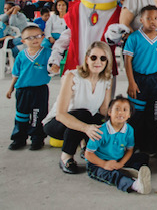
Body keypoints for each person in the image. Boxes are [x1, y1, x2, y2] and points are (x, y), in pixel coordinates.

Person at [43, 41, 113, 174]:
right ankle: (66, 157)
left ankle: (86, 147)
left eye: (103, 58)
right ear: (87, 59)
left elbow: (104, 110)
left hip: (85, 122)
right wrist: (86, 128)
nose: (98, 62)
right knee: (83, 114)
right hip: (57, 124)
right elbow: (61, 114)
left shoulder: (107, 79)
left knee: (99, 119)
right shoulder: (72, 76)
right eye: (94, 57)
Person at [123, 5, 157, 153]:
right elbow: (127, 61)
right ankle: (135, 146)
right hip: (138, 80)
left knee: (155, 114)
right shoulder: (134, 38)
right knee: (136, 115)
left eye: (156, 18)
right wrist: (131, 82)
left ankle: (152, 148)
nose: (153, 21)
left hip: (156, 80)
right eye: (148, 18)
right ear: (141, 20)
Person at [85, 96, 151, 194]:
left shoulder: (129, 130)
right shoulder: (100, 131)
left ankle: (127, 171)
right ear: (109, 112)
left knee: (143, 157)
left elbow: (129, 150)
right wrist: (104, 164)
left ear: (129, 115)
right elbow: (88, 154)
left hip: (118, 159)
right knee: (112, 175)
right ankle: (135, 185)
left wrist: (121, 163)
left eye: (125, 110)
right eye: (117, 109)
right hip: (98, 163)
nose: (120, 113)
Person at [6, 26, 52, 151]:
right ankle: (19, 139)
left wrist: (54, 68)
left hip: (40, 90)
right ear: (23, 41)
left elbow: (54, 67)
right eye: (30, 38)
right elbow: (16, 74)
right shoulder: (21, 55)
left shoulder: (48, 53)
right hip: (23, 90)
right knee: (21, 115)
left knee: (38, 116)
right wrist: (11, 88)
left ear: (43, 37)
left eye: (38, 36)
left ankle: (37, 139)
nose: (34, 40)